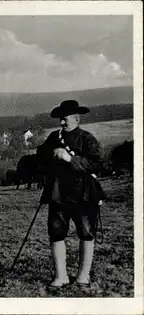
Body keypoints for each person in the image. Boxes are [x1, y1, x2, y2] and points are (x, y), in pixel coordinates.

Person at [37, 100, 105, 289]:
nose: (62, 123)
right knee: (56, 234)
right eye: (60, 119)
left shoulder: (87, 139)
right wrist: (49, 159)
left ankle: (83, 276)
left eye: (65, 119)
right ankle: (61, 277)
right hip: (58, 194)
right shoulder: (53, 138)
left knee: (86, 233)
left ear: (76, 118)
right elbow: (41, 158)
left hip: (83, 195)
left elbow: (98, 164)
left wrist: (70, 158)